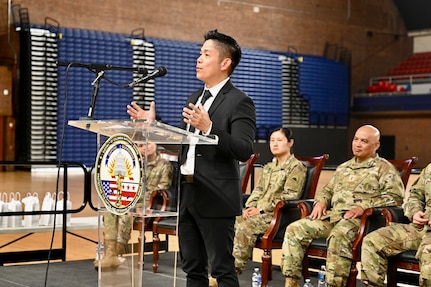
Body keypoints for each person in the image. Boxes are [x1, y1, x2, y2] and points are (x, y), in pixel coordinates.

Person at [127, 29, 256, 287]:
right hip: (186, 192)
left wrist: (210, 128)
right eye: (200, 53)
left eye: (206, 54)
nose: (199, 59)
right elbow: (181, 145)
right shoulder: (195, 98)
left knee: (221, 270)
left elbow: (244, 148)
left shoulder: (239, 101)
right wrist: (153, 127)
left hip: (216, 196)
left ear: (225, 62)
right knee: (192, 269)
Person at [280, 124, 405, 287]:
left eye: (364, 141)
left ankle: (334, 284)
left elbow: (395, 198)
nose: (358, 144)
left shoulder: (384, 169)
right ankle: (291, 282)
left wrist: (363, 207)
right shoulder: (343, 168)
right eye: (356, 139)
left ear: (376, 145)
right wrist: (321, 201)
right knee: (294, 229)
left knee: (339, 235)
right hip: (333, 217)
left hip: (362, 222)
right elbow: (327, 190)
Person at [232, 127, 307, 273]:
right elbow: (258, 190)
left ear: (290, 143)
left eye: (279, 140)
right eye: (272, 140)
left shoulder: (296, 167)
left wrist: (260, 210)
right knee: (229, 221)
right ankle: (222, 268)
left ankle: (233, 270)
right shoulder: (268, 167)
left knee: (244, 227)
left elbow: (289, 196)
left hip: (277, 215)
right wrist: (250, 207)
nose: (275, 144)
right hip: (259, 213)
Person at [94, 142, 173, 270]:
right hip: (131, 200)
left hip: (151, 204)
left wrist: (145, 204)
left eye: (148, 144)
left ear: (156, 143)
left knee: (126, 214)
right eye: (140, 145)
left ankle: (116, 252)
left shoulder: (164, 165)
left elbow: (163, 189)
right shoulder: (133, 164)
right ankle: (109, 253)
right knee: (110, 210)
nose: (145, 147)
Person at [361, 163, 431, 287]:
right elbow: (415, 195)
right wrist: (415, 212)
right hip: (421, 228)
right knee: (373, 241)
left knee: (428, 252)